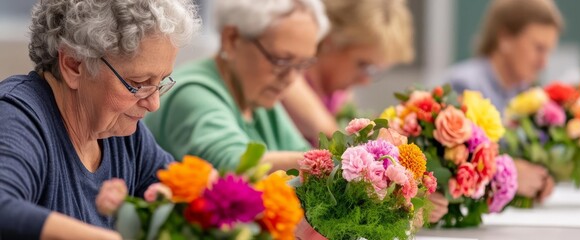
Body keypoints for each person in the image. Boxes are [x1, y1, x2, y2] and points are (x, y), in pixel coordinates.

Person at [0, 0, 200, 239]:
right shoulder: (17, 117)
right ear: (73, 64)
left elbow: (184, 194)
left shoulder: (122, 134)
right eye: (138, 84)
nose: (154, 103)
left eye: (161, 81)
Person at [278, 0, 447, 223]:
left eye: (375, 71)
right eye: (363, 64)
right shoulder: (287, 78)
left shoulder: (337, 94)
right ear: (330, 41)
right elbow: (337, 140)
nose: (366, 80)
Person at [144, 0, 330, 172]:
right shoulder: (191, 92)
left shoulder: (257, 98)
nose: (291, 78)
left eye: (302, 65)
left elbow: (300, 151)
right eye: (280, 60)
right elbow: (233, 165)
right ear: (231, 39)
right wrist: (326, 163)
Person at [445, 0, 563, 202]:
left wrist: (540, 178)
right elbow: (451, 163)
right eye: (538, 48)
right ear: (505, 38)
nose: (544, 63)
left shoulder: (526, 93)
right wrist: (509, 172)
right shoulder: (463, 84)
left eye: (548, 51)